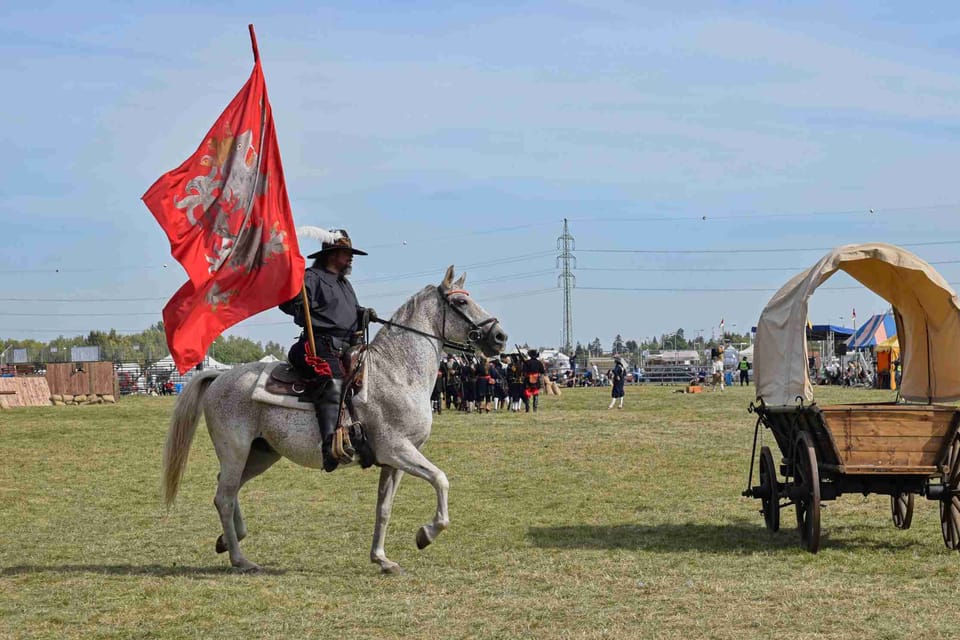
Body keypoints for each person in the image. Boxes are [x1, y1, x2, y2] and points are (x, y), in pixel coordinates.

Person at [278, 228, 375, 472]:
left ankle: (364, 438)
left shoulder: (344, 284)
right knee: (333, 379)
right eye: (346, 253)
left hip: (347, 346)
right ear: (332, 254)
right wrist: (296, 302)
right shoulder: (310, 277)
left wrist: (363, 313)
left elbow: (348, 312)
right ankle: (330, 445)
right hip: (318, 344)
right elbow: (286, 303)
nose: (351, 258)